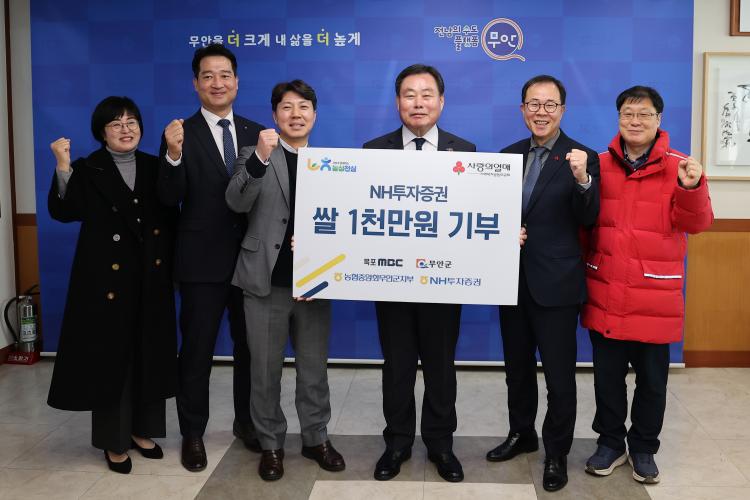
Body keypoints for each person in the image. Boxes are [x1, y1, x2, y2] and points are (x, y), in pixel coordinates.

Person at [581, 86, 713, 484]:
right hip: (606, 291)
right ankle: (609, 443)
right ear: (618, 118)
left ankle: (643, 448)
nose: (634, 121)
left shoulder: (681, 167)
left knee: (653, 382)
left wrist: (691, 189)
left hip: (655, 296)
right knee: (607, 379)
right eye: (627, 114)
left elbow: (697, 224)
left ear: (659, 120)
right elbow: (584, 223)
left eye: (644, 114)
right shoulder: (598, 164)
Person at [47, 96, 177, 474]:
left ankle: (142, 430)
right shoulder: (89, 168)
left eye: (131, 122)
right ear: (102, 133)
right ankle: (113, 442)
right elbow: (64, 211)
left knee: (148, 354)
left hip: (150, 277)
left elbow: (172, 209)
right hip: (105, 281)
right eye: (116, 124)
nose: (126, 129)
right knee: (111, 362)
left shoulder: (155, 165)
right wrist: (63, 166)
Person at [225, 79, 345, 481]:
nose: (296, 114)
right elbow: (236, 201)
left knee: (314, 370)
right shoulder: (253, 155)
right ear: (274, 115)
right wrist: (261, 157)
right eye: (287, 107)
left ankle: (316, 438)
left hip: (314, 284)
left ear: (315, 115)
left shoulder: (332, 163)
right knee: (264, 372)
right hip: (265, 282)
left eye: (304, 107)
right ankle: (271, 444)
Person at [485, 75, 600, 492]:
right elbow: (490, 215)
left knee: (559, 377)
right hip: (510, 281)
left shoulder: (582, 157)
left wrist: (582, 180)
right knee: (516, 371)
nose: (541, 112)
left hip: (557, 285)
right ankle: (522, 433)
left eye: (550, 105)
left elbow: (588, 217)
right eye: (533, 104)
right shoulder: (507, 157)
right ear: (522, 110)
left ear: (562, 111)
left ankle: (556, 453)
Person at [363, 64, 475, 483]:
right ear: (397, 102)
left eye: (427, 94)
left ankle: (441, 443)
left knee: (441, 365)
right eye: (409, 95)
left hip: (444, 281)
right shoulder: (373, 151)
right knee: (397, 365)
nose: (418, 103)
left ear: (441, 102)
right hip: (391, 280)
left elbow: (476, 212)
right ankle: (397, 442)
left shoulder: (466, 150)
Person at [157, 43, 265, 472]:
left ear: (236, 81)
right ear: (195, 83)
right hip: (201, 262)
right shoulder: (179, 133)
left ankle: (247, 423)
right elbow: (169, 198)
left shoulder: (259, 133)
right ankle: (193, 434)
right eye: (208, 75)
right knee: (197, 351)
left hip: (251, 260)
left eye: (224, 75)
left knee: (250, 349)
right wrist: (173, 156)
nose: (217, 83)